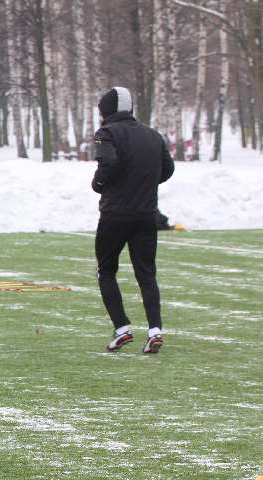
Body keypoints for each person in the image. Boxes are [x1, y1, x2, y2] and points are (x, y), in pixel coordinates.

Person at [91, 86, 174, 354]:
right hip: (146, 215)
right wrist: (144, 183)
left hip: (115, 215)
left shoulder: (107, 133)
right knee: (146, 274)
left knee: (106, 271)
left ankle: (122, 328)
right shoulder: (152, 135)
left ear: (106, 112)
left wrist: (99, 183)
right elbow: (167, 169)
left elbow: (109, 164)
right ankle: (155, 330)